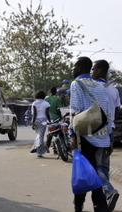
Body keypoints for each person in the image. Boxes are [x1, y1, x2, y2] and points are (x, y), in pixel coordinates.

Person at [69, 56, 109, 212]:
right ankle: (95, 205)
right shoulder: (100, 86)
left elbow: (75, 111)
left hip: (86, 136)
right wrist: (110, 138)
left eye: (74, 66)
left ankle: (83, 206)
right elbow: (107, 113)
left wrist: (72, 135)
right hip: (102, 136)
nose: (73, 69)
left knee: (85, 174)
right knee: (93, 172)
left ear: (79, 67)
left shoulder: (76, 84)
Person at [91, 59, 120, 211]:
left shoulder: (94, 87)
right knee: (103, 167)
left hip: (96, 130)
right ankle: (105, 201)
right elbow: (114, 110)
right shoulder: (113, 89)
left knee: (95, 167)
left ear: (101, 71)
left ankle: (109, 191)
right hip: (109, 130)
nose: (92, 72)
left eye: (94, 69)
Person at [30, 91, 50, 158]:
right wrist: (49, 121)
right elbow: (47, 114)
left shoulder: (34, 103)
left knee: (39, 135)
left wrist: (32, 122)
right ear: (44, 96)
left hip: (36, 121)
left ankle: (37, 148)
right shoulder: (46, 103)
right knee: (41, 135)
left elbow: (34, 114)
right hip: (43, 121)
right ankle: (38, 149)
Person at [45, 87, 62, 151]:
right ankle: (56, 149)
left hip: (48, 118)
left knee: (50, 133)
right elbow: (58, 110)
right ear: (56, 92)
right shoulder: (57, 99)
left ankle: (47, 146)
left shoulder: (46, 99)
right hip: (56, 118)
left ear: (50, 92)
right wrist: (61, 117)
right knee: (58, 132)